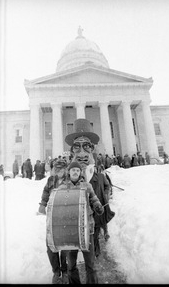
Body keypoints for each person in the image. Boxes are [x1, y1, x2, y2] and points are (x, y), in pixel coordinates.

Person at [64, 118, 115, 260]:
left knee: (96, 232)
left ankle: (96, 252)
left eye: (86, 146)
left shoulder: (99, 175)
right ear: (71, 151)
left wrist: (103, 197)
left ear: (92, 149)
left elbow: (106, 186)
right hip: (77, 215)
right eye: (76, 147)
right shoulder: (67, 176)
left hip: (96, 213)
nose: (81, 153)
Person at [64, 161, 104, 284]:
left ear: (80, 172)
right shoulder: (63, 187)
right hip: (70, 231)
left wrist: (97, 206)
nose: (75, 172)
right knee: (71, 265)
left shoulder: (87, 186)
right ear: (69, 172)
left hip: (87, 228)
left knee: (90, 264)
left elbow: (94, 198)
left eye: (77, 170)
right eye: (73, 170)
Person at [38, 158, 68, 284]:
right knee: (51, 246)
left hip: (66, 218)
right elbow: (45, 192)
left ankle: (65, 271)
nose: (59, 170)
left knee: (66, 246)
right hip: (52, 217)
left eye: (61, 168)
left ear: (65, 169)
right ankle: (56, 271)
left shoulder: (70, 180)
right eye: (57, 168)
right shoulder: (51, 180)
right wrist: (42, 204)